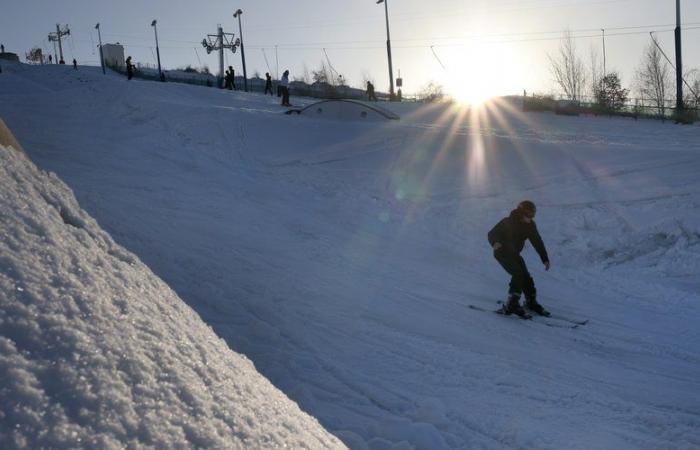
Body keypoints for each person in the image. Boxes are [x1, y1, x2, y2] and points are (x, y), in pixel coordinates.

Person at [487, 200, 550, 318]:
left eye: (533, 214)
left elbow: (537, 241)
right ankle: (512, 304)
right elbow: (492, 233)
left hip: (514, 254)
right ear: (521, 213)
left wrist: (544, 258)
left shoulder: (530, 225)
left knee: (526, 275)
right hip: (502, 252)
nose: (531, 217)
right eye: (529, 214)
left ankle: (531, 302)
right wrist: (495, 242)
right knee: (518, 274)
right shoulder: (508, 222)